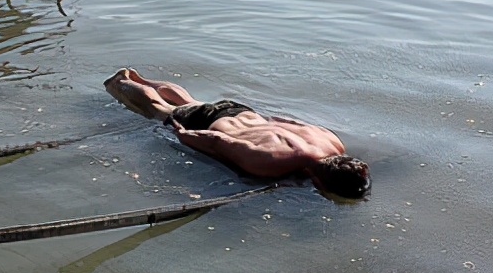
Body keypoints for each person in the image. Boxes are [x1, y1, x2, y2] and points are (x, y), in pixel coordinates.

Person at [104, 68, 371, 199]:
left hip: (245, 113)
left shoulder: (332, 142)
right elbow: (219, 141)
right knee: (159, 109)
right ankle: (123, 82)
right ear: (322, 184)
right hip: (211, 124)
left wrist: (266, 122)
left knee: (189, 99)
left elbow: (290, 121)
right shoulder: (270, 164)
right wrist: (184, 135)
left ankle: (140, 77)